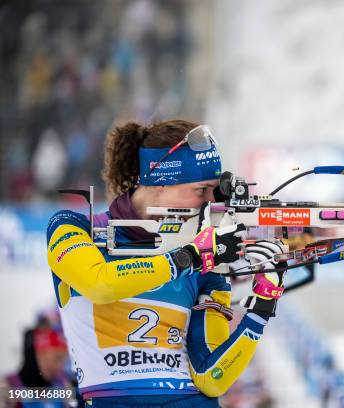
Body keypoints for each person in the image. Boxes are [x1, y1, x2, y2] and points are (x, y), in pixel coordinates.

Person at [46, 120, 286, 407]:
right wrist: (188, 258)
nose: (209, 204)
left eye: (214, 193)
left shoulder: (206, 259)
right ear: (160, 182)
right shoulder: (74, 227)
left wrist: (262, 305)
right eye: (201, 190)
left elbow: (212, 379)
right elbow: (101, 284)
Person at [1, 326, 72, 408]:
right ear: (37, 356)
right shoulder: (9, 386)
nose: (60, 366)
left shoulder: (62, 385)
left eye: (63, 360)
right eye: (57, 358)